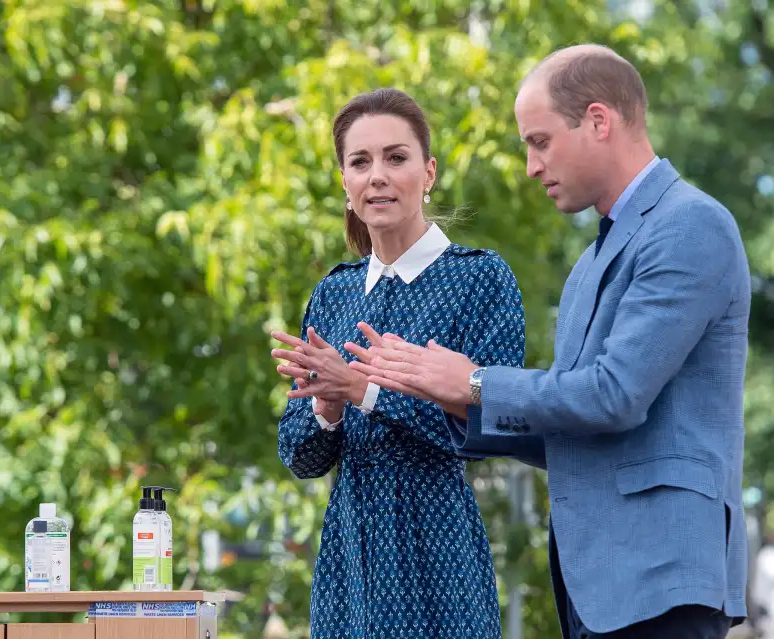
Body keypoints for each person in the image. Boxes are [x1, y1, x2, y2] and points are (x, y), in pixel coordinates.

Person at [350, 45, 751, 639]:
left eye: (539, 142)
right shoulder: (591, 261)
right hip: (594, 587)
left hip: (661, 580)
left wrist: (477, 381)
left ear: (597, 120)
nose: (531, 166)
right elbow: (573, 421)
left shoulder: (690, 224)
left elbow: (613, 396)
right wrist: (449, 395)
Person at [270, 88, 525, 638]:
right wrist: (328, 408)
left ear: (428, 172)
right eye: (360, 162)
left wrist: (367, 392)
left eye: (396, 157)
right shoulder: (333, 293)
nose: (377, 175)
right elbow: (300, 455)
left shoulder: (480, 279)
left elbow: (499, 427)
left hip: (439, 548)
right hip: (349, 558)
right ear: (344, 182)